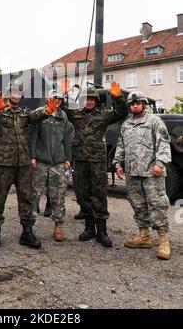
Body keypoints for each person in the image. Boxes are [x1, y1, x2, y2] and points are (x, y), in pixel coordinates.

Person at [0, 83, 60, 249]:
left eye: (19, 93)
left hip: (23, 164)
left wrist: (46, 111)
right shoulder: (0, 109)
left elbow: (35, 116)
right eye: (13, 92)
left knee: (26, 199)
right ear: (9, 94)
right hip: (4, 163)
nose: (16, 95)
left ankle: (27, 232)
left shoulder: (25, 112)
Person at [61, 81, 127, 247]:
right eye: (86, 99)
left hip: (97, 161)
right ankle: (89, 229)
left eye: (92, 99)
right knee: (83, 194)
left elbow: (121, 112)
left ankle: (102, 232)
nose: (89, 101)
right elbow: (62, 108)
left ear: (96, 101)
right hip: (81, 161)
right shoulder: (76, 115)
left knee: (99, 194)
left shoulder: (103, 115)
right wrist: (63, 94)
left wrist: (118, 97)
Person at [114, 91, 172, 260]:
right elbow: (121, 145)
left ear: (144, 104)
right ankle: (144, 236)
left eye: (138, 103)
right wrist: (118, 163)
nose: (135, 106)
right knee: (138, 205)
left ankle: (164, 241)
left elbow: (164, 143)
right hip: (133, 172)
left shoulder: (154, 121)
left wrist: (160, 163)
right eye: (132, 104)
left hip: (152, 172)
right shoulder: (126, 124)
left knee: (157, 205)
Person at [29, 89, 72, 241]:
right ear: (48, 98)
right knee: (34, 195)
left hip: (58, 162)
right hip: (40, 161)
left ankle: (58, 226)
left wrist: (68, 158)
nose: (57, 101)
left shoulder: (63, 116)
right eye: (54, 98)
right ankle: (29, 227)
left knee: (59, 196)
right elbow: (33, 136)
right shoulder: (40, 113)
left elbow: (67, 138)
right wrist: (32, 156)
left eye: (59, 98)